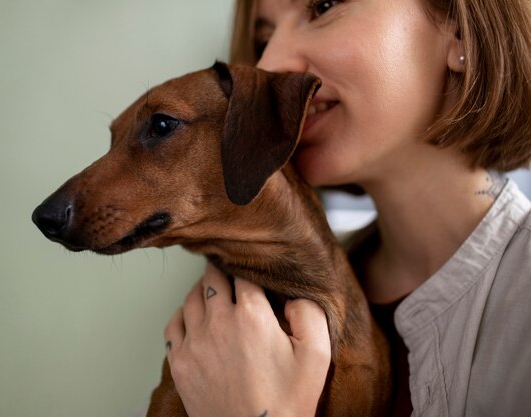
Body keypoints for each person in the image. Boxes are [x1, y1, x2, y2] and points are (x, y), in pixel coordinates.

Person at [162, 0, 531, 416]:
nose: (270, 62)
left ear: (460, 32)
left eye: (323, 6)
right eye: (263, 39)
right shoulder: (247, 309)